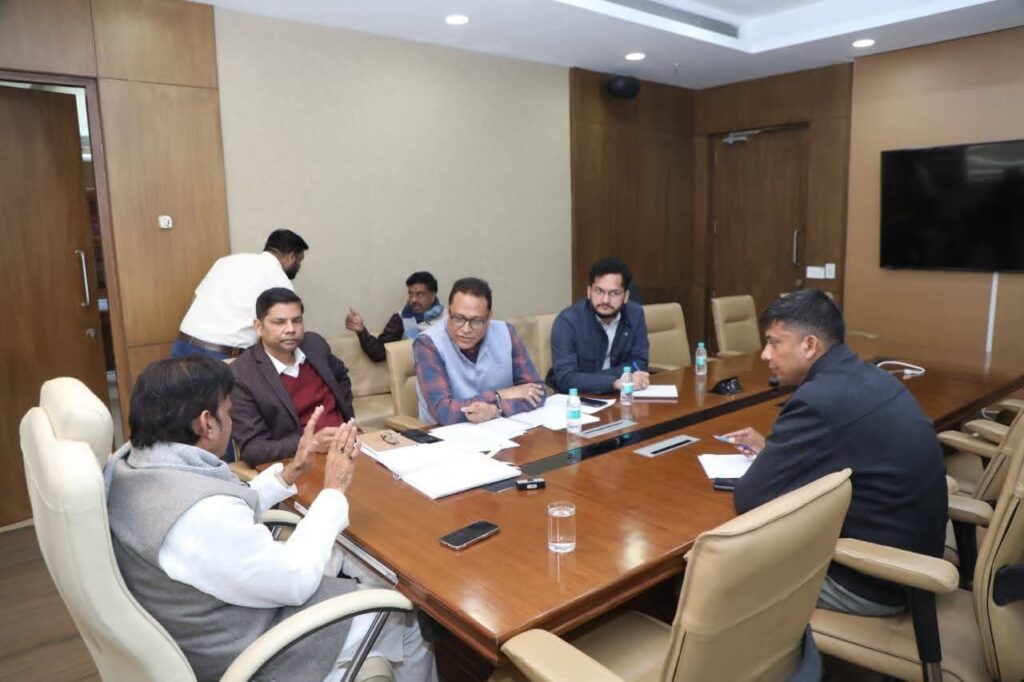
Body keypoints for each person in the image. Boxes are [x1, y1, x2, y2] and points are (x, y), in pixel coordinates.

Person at [103, 355, 436, 681]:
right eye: (227, 412)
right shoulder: (201, 516)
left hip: (206, 616)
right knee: (407, 617)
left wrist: (290, 473)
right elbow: (295, 580)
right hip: (248, 647)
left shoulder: (134, 465)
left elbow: (224, 508)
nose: (231, 422)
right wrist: (334, 488)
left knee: (349, 558)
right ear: (207, 423)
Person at [724, 289, 947, 616]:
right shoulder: (872, 376)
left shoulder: (816, 400)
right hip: (917, 556)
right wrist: (773, 451)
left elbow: (750, 498)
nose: (765, 355)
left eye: (773, 343)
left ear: (809, 345)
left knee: (716, 578)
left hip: (875, 579)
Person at [230, 288, 355, 467]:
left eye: (297, 321)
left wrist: (347, 420)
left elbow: (342, 378)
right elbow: (253, 449)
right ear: (259, 327)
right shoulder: (243, 374)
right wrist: (310, 443)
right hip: (299, 463)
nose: (291, 329)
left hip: (349, 447)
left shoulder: (314, 345)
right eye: (279, 322)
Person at [414, 277, 545, 424]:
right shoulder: (428, 343)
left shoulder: (506, 332)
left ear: (489, 317)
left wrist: (496, 410)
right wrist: (499, 395)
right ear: (447, 312)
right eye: (458, 318)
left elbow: (537, 391)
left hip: (500, 428)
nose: (466, 329)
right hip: (445, 434)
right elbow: (444, 412)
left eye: (476, 321)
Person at [172, 229, 309, 359]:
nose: (299, 266)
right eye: (299, 260)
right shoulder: (279, 279)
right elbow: (280, 329)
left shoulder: (225, 261)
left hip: (184, 343)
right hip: (222, 354)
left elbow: (195, 299)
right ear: (291, 257)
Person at [548, 257, 650, 394]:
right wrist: (615, 382)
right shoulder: (568, 321)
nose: (605, 300)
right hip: (576, 398)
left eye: (614, 293)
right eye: (599, 291)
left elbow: (639, 363)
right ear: (589, 291)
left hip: (618, 395)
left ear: (626, 296)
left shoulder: (635, 314)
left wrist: (590, 379)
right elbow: (566, 378)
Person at [345, 271, 445, 362]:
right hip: (415, 372)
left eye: (420, 294)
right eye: (410, 294)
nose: (413, 300)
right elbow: (379, 352)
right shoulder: (401, 318)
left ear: (432, 296)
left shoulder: (447, 317)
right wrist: (361, 330)